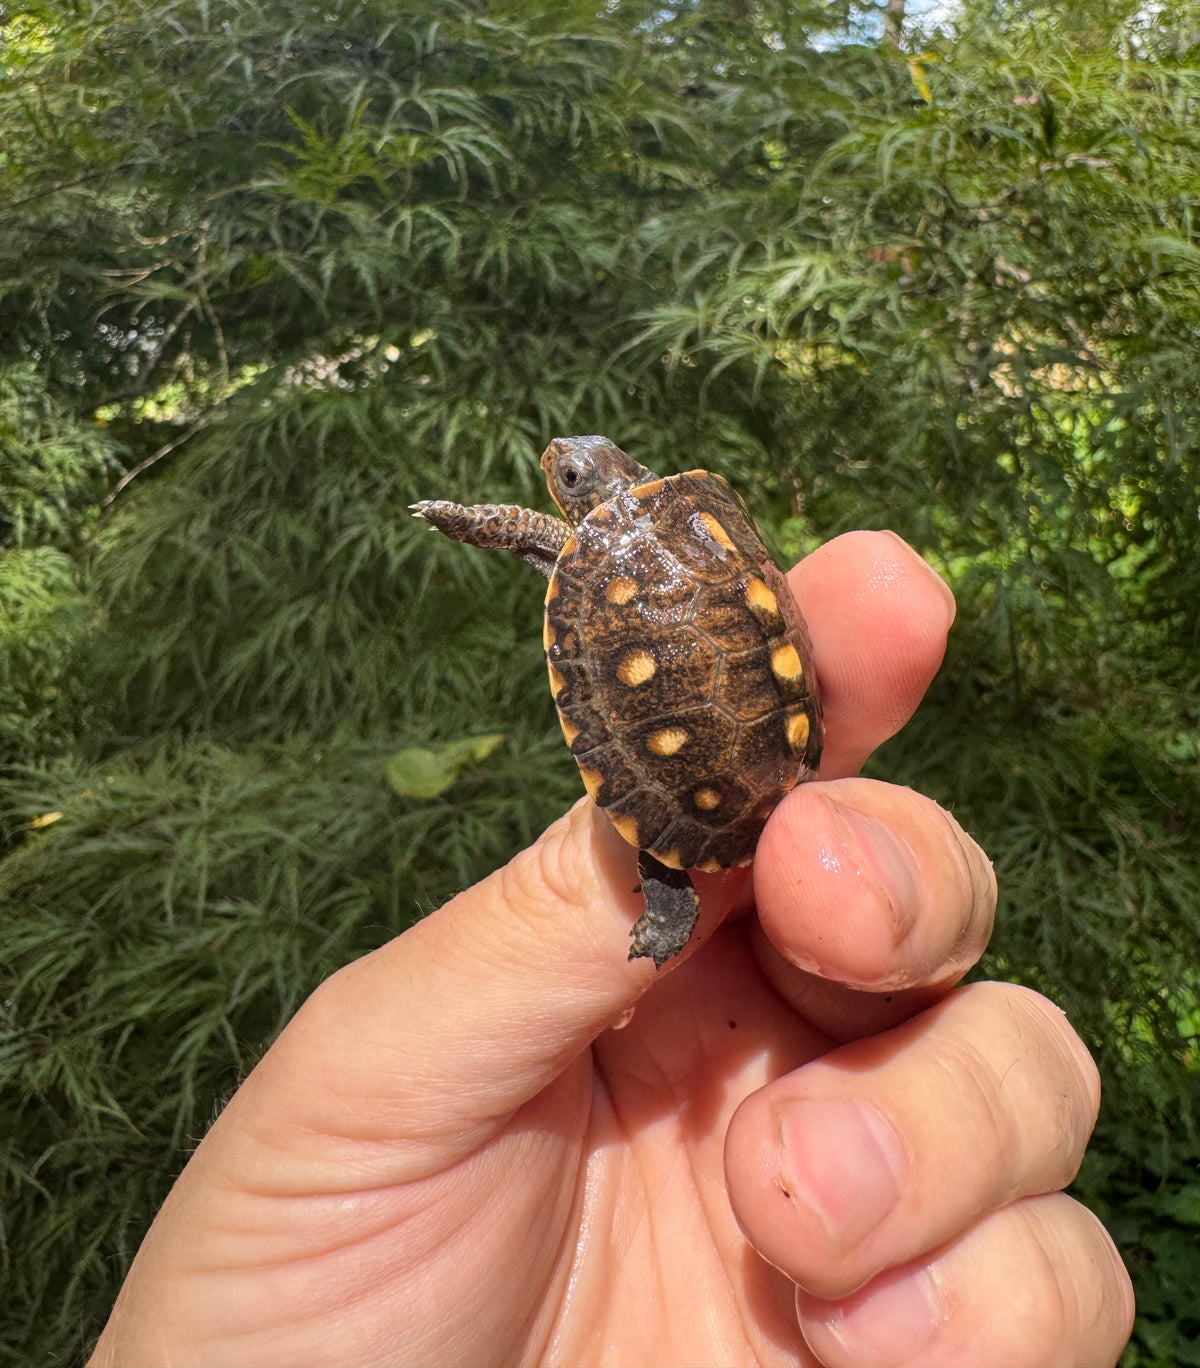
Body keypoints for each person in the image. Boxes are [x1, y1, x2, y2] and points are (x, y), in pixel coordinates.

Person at [88, 531, 1135, 1368]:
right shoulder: (691, 522)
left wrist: (482, 525)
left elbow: (548, 542)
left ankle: (669, 901)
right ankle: (674, 900)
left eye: (574, 475)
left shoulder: (586, 549)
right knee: (771, 865)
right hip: (772, 766)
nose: (565, 477)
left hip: (731, 781)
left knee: (717, 860)